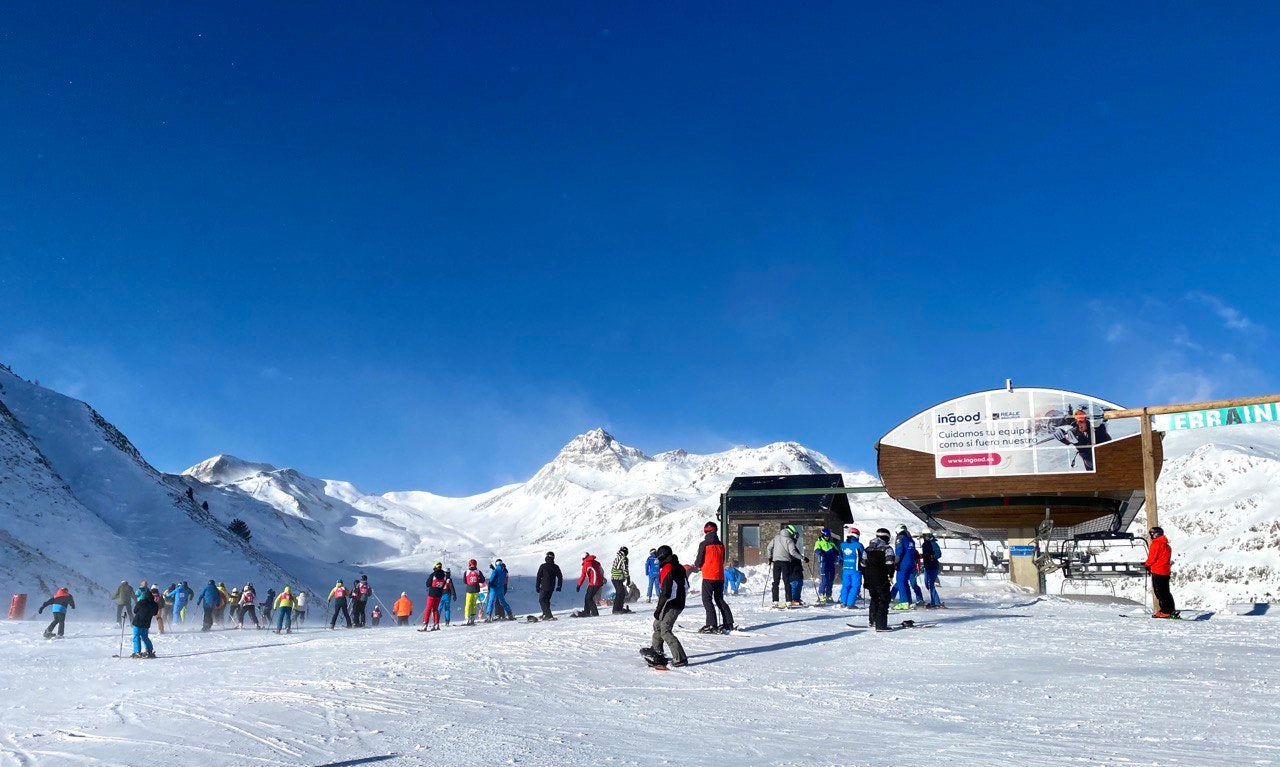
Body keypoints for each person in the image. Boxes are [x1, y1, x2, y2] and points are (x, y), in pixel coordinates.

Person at [643, 544, 689, 668]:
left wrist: (658, 609)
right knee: (657, 624)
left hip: (674, 603)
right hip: (674, 601)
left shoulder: (668, 568)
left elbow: (665, 593)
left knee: (665, 629)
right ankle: (657, 651)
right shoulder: (678, 566)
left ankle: (680, 658)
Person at [694, 521, 734, 632]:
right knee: (719, 599)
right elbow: (722, 560)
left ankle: (711, 624)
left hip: (708, 576)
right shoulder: (721, 545)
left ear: (706, 531)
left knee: (707, 600)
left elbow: (698, 561)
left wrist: (698, 566)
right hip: (720, 576)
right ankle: (728, 623)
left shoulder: (704, 544)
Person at [863, 528, 897, 632]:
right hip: (881, 577)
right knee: (884, 599)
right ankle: (881, 625)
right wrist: (891, 575)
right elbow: (890, 563)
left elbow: (863, 564)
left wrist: (865, 578)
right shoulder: (887, 548)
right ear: (886, 537)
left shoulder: (867, 549)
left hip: (869, 578)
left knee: (874, 598)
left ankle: (872, 621)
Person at [765, 525, 805, 607]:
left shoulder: (776, 538)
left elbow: (769, 548)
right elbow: (793, 552)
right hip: (785, 563)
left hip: (776, 562)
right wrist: (803, 558)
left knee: (776, 582)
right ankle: (788, 601)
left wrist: (770, 558)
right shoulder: (789, 540)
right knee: (787, 582)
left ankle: (775, 601)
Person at [1145, 526, 1178, 618]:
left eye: (1151, 534)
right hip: (1165, 571)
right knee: (1165, 592)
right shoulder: (1166, 545)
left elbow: (1153, 557)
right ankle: (1169, 610)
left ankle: (1166, 611)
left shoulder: (1156, 544)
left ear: (1155, 534)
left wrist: (1147, 565)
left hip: (1158, 570)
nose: (1151, 536)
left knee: (1160, 592)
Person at [892, 525, 922, 608]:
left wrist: (896, 562)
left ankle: (904, 602)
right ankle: (908, 601)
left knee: (901, 581)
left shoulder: (900, 538)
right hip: (911, 563)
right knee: (905, 582)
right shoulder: (910, 539)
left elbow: (899, 551)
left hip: (903, 563)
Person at [839, 528, 865, 609]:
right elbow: (864, 557)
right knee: (855, 586)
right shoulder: (858, 545)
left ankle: (843, 602)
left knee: (845, 585)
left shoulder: (842, 545)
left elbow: (840, 557)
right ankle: (850, 603)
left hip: (845, 569)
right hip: (856, 569)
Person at [813, 527, 841, 605]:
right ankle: (821, 595)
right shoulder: (819, 542)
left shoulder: (831, 544)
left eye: (828, 536)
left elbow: (837, 552)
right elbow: (816, 550)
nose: (827, 538)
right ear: (823, 535)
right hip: (824, 563)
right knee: (824, 580)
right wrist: (822, 553)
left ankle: (828, 595)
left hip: (831, 563)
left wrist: (838, 557)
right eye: (826, 536)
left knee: (831, 580)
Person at [131, 587, 159, 658]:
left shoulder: (141, 602)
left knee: (136, 636)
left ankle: (137, 652)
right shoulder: (154, 604)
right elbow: (155, 613)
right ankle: (149, 651)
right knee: (145, 637)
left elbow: (135, 610)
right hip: (146, 623)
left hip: (138, 622)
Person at [535, 551, 563, 620]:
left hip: (544, 586)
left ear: (547, 557)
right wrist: (559, 586)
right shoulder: (556, 566)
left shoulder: (543, 566)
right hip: (551, 587)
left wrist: (537, 586)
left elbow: (538, 577)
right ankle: (545, 614)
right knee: (546, 601)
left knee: (542, 600)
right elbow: (560, 577)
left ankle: (548, 615)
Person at [420, 563, 448, 631]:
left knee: (428, 609)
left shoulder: (433, 574)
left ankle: (425, 624)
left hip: (432, 594)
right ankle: (436, 624)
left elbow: (428, 584)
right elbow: (444, 584)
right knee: (435, 609)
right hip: (439, 594)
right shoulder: (444, 575)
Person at [920, 531, 944, 608]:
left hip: (933, 566)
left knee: (931, 584)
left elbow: (939, 553)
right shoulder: (925, 544)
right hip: (927, 566)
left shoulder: (933, 544)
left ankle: (936, 602)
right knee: (927, 584)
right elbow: (926, 554)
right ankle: (933, 601)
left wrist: (933, 556)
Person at [576, 553, 605, 617]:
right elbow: (601, 571)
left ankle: (594, 613)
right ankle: (586, 611)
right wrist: (602, 578)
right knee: (587, 597)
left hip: (594, 583)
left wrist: (579, 585)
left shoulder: (586, 564)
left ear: (583, 558)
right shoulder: (596, 562)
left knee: (589, 598)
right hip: (598, 582)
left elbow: (583, 576)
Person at [610, 547, 634, 614]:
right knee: (620, 593)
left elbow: (614, 568)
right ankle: (616, 609)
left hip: (614, 578)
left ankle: (619, 608)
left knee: (621, 593)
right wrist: (628, 578)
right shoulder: (624, 559)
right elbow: (625, 569)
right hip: (618, 578)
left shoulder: (617, 557)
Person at [463, 560, 485, 626]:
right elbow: (483, 580)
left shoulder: (466, 572)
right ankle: (472, 618)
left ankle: (467, 619)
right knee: (474, 604)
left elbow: (464, 581)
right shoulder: (478, 572)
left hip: (469, 589)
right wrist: (478, 580)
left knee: (468, 604)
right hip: (476, 589)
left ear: (469, 564)